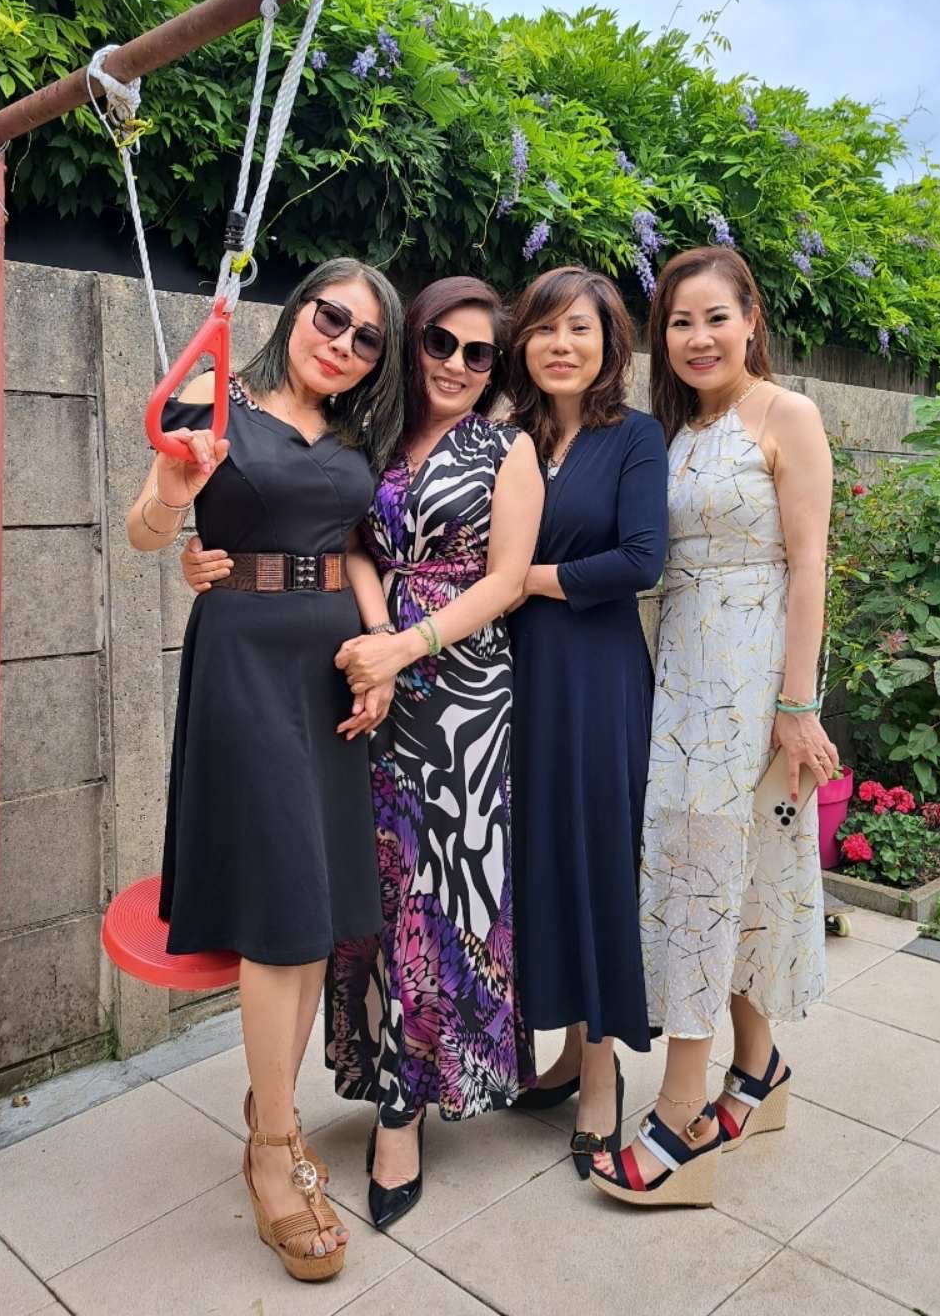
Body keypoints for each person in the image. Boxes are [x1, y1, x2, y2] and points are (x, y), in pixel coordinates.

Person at [185, 275, 543, 1232]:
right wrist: (375, 639)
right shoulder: (370, 434)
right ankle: (292, 1103)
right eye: (440, 343)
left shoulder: (503, 447)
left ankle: (402, 1115)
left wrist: (404, 646)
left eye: (479, 352)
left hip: (458, 691)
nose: (458, 364)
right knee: (360, 901)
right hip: (354, 680)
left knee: (438, 901)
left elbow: (508, 578)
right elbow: (338, 539)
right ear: (412, 345)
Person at [127, 258, 404, 1282]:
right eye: (332, 317)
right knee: (283, 905)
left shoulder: (355, 435)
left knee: (316, 911)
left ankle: (269, 1111)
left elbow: (356, 549)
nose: (343, 343)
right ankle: (276, 1150)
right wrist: (172, 504)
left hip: (331, 667)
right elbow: (146, 530)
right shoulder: (214, 399)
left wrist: (382, 652)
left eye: (367, 337)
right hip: (243, 657)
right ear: (296, 312)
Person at [592, 244, 839, 1209]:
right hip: (682, 671)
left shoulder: (788, 415)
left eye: (715, 318)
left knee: (702, 877)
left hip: (752, 678)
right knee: (725, 875)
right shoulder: (672, 430)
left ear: (751, 321)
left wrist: (796, 706)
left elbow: (809, 565)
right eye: (679, 323)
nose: (698, 338)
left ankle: (684, 1111)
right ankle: (759, 1069)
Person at [505, 265, 669, 1178]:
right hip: (519, 674)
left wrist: (522, 581)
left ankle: (602, 1074)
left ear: (610, 343)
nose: (561, 345)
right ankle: (566, 1051)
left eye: (580, 329)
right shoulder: (511, 436)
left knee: (598, 858)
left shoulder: (634, 436)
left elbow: (641, 560)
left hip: (599, 678)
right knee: (543, 858)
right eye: (544, 328)